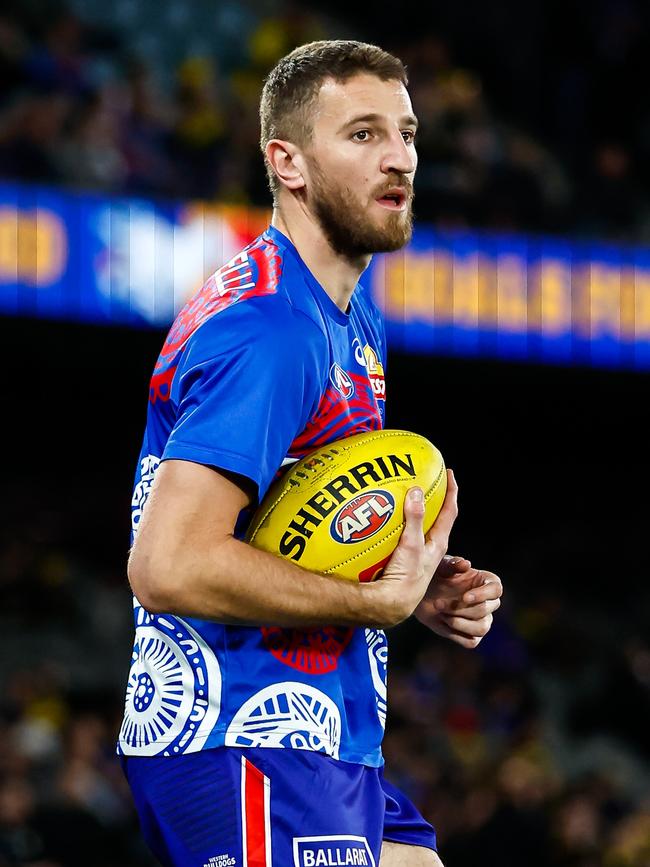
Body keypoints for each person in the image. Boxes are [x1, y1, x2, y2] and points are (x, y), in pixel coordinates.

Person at [119, 40, 503, 867]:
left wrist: (402, 575)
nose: (399, 157)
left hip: (320, 736)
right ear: (286, 162)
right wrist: (377, 604)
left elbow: (291, 516)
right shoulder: (272, 330)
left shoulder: (347, 315)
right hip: (243, 736)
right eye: (363, 135)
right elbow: (169, 563)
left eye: (406, 134)